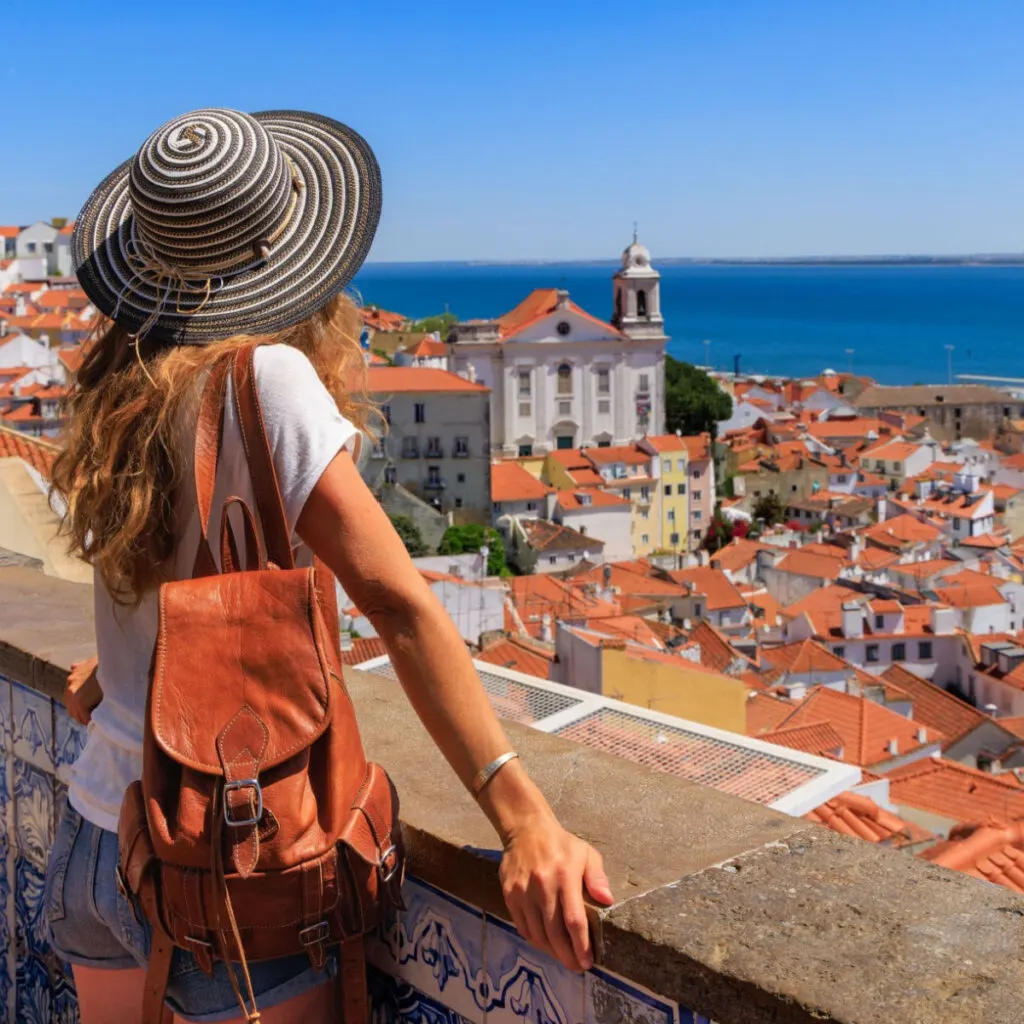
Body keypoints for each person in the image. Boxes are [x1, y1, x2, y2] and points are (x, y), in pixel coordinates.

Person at [45, 108, 612, 1024]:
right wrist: (523, 817)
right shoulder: (266, 377)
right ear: (289, 253)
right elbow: (399, 605)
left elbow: (151, 586)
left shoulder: (129, 379)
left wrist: (120, 683)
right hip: (219, 870)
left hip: (93, 835)